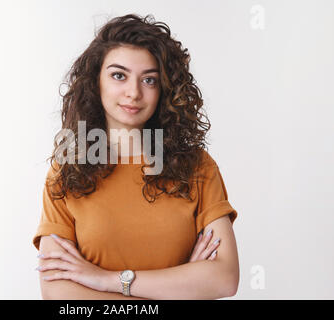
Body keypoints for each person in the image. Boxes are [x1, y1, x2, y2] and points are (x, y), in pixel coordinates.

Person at [32, 13, 239, 300]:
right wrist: (180, 289)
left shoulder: (197, 167)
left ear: (164, 89)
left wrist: (106, 281)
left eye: (150, 80)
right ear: (96, 82)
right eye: (119, 75)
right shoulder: (67, 171)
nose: (134, 93)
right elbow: (59, 294)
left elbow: (224, 279)